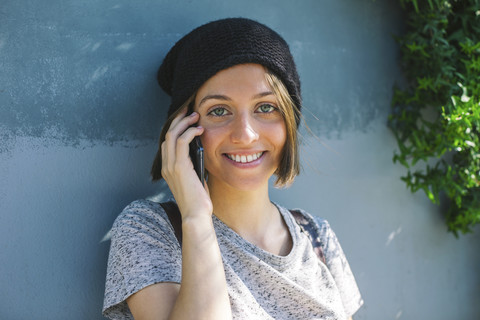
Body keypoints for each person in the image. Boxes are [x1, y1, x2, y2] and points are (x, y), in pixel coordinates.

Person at [103, 18, 363, 320]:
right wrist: (197, 217)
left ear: (289, 122)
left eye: (266, 107)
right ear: (183, 129)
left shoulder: (317, 236)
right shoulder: (150, 230)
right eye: (219, 111)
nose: (245, 134)